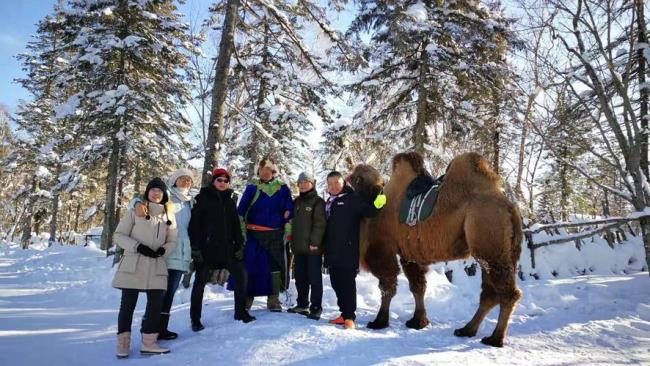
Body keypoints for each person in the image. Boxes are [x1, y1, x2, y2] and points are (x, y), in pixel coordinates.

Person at [112, 177, 177, 358]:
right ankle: (123, 345)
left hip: (156, 264)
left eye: (160, 191)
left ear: (164, 195)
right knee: (127, 305)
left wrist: (164, 250)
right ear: (147, 192)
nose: (156, 193)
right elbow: (119, 235)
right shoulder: (135, 210)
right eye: (153, 190)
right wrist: (138, 247)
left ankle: (149, 343)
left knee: (155, 305)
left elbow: (173, 240)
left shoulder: (169, 215)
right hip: (134, 263)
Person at [188, 168, 255, 331]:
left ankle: (240, 312)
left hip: (227, 250)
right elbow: (194, 225)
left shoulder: (230, 201)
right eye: (219, 180)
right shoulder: (202, 198)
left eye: (226, 181)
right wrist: (195, 248)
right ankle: (195, 320)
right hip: (206, 250)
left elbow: (235, 226)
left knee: (241, 274)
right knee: (199, 283)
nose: (223, 183)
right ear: (213, 181)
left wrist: (239, 245)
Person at [323, 171, 385, 329]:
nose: (333, 186)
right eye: (330, 184)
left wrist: (379, 202)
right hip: (332, 251)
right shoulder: (330, 202)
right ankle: (343, 314)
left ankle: (350, 316)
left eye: (336, 183)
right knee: (336, 283)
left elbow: (369, 212)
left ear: (343, 183)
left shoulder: (351, 199)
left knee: (347, 284)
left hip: (348, 251)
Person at [237, 156, 293, 312]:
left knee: (274, 267)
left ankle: (273, 300)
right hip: (254, 234)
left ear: (273, 171)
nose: (265, 172)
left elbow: (290, 209)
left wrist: (288, 224)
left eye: (269, 169)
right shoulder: (252, 188)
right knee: (252, 266)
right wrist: (242, 232)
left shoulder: (282, 188)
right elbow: (240, 211)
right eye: (262, 169)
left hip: (275, 234)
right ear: (258, 171)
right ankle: (247, 299)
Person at [287, 172, 326, 320]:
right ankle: (302, 304)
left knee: (314, 279)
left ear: (312, 183)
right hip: (299, 248)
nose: (302, 185)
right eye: (300, 182)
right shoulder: (297, 202)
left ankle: (316, 308)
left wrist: (315, 243)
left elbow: (320, 225)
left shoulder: (317, 202)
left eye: (306, 182)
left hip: (312, 249)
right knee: (300, 278)